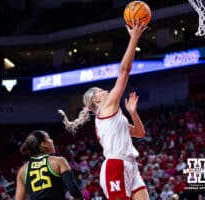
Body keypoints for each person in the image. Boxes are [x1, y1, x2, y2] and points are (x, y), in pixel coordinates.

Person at [58, 20, 149, 200]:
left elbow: (139, 133)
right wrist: (134, 39)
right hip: (115, 165)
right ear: (96, 100)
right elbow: (124, 70)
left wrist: (132, 112)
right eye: (101, 90)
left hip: (130, 165)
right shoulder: (106, 108)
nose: (105, 90)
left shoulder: (114, 116)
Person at [15, 130, 83, 200]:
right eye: (49, 138)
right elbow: (74, 191)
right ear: (44, 144)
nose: (52, 140)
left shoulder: (22, 170)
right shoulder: (59, 161)